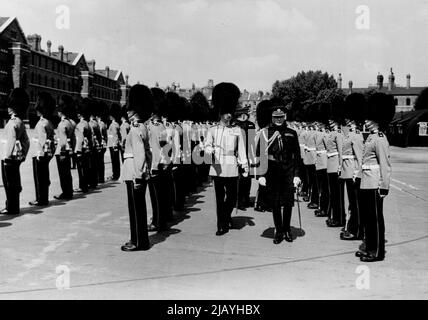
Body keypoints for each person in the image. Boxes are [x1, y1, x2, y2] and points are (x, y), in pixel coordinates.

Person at [204, 82, 249, 236]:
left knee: (231, 197)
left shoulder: (237, 130)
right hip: (217, 165)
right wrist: (212, 149)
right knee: (219, 197)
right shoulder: (213, 130)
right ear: (221, 112)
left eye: (230, 112)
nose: (229, 115)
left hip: (232, 165)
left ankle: (227, 215)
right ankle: (221, 224)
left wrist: (245, 165)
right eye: (226, 112)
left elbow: (241, 149)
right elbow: (206, 146)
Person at [356, 92, 394, 262]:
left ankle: (377, 251)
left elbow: (385, 165)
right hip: (366, 182)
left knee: (376, 219)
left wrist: (384, 186)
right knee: (368, 218)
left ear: (376, 118)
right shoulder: (371, 137)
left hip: (374, 184)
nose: (366, 121)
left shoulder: (380, 138)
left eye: (369, 118)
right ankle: (370, 246)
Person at [256, 104, 301, 244]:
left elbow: (297, 155)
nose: (278, 120)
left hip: (288, 168)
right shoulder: (265, 133)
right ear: (272, 117)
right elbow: (260, 155)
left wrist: (297, 175)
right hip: (272, 169)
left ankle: (287, 229)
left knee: (288, 202)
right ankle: (279, 230)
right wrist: (261, 175)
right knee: (275, 202)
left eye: (281, 117)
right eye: (276, 117)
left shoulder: (292, 133)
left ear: (285, 117)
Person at [121, 84, 153, 252]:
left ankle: (138, 241)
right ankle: (140, 239)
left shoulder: (135, 130)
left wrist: (138, 175)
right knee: (138, 208)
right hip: (137, 171)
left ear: (136, 110)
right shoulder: (143, 128)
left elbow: (139, 155)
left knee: (135, 209)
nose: (127, 111)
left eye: (130, 109)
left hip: (134, 172)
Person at [1, 88, 30, 215]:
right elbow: (27, 142)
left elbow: (11, 141)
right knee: (14, 183)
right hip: (17, 157)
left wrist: (7, 157)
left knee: (9, 184)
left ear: (13, 107)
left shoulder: (12, 123)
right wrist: (23, 155)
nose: (8, 108)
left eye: (10, 106)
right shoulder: (21, 122)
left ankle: (11, 207)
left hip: (9, 158)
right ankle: (14, 206)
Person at [340, 93, 365, 240]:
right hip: (348, 172)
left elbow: (360, 157)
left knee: (355, 204)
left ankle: (356, 230)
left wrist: (357, 173)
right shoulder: (350, 134)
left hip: (354, 174)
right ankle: (351, 226)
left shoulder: (355, 135)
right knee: (351, 203)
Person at [29, 92, 56, 206]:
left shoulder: (41, 123)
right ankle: (43, 197)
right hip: (46, 154)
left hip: (39, 154)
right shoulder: (48, 122)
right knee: (44, 177)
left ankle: (41, 199)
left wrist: (40, 155)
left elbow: (42, 141)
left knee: (39, 178)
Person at [325, 103, 345, 228]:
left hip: (336, 165)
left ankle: (339, 218)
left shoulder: (339, 133)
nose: (330, 122)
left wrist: (340, 166)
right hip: (330, 165)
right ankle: (333, 216)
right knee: (333, 194)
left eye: (332, 120)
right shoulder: (332, 132)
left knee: (338, 195)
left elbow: (342, 151)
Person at [234, 104, 256, 210]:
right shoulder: (234, 125)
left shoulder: (251, 125)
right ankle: (239, 201)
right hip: (237, 154)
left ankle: (245, 199)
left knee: (247, 179)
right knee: (239, 179)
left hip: (247, 154)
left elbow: (252, 142)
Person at [253, 99, 273, 213]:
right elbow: (256, 147)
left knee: (270, 182)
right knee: (263, 182)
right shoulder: (261, 132)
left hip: (270, 159)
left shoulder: (272, 131)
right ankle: (260, 203)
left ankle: (268, 202)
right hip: (263, 159)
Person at [54, 95, 75, 200]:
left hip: (62, 152)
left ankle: (66, 192)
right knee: (67, 173)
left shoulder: (62, 124)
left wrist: (62, 153)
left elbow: (62, 141)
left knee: (63, 174)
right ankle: (69, 191)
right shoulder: (70, 123)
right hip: (68, 151)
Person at [74, 98, 93, 193]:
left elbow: (80, 139)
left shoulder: (81, 124)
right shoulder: (87, 124)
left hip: (81, 150)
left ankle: (82, 186)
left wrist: (78, 151)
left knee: (81, 169)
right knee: (85, 168)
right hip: (87, 149)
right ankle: (85, 185)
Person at [107, 103, 122, 181]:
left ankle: (115, 175)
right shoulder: (115, 124)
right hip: (113, 144)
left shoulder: (113, 125)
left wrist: (115, 145)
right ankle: (115, 174)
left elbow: (115, 135)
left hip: (113, 145)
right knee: (115, 161)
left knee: (115, 161)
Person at [96, 101, 108, 184]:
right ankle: (101, 177)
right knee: (101, 162)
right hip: (103, 144)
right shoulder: (103, 124)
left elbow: (99, 136)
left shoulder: (100, 124)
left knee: (99, 162)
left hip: (100, 144)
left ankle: (100, 178)